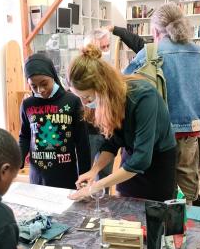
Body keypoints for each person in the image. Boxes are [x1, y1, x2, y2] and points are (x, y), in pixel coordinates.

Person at [107, 24, 200, 205]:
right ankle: (181, 229)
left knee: (145, 194)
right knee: (185, 196)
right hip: (188, 136)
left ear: (155, 31)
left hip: (152, 138)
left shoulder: (148, 53)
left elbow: (124, 94)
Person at [67, 45, 177, 202]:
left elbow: (142, 159)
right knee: (124, 207)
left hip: (158, 163)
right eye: (79, 98)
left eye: (87, 97)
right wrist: (94, 170)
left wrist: (96, 186)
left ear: (102, 87)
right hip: (131, 158)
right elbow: (111, 143)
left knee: (154, 213)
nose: (84, 103)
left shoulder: (143, 97)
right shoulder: (109, 100)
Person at [19, 53, 91, 189]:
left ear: (52, 76)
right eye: (34, 86)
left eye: (44, 83)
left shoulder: (72, 101)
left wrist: (85, 174)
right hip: (38, 177)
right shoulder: (27, 104)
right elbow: (24, 136)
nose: (41, 90)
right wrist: (19, 160)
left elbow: (82, 143)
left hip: (65, 176)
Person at [83, 29, 115, 179]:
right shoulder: (83, 70)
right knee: (85, 171)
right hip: (89, 130)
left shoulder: (109, 70)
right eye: (103, 48)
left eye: (108, 46)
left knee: (105, 175)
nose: (106, 51)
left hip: (107, 129)